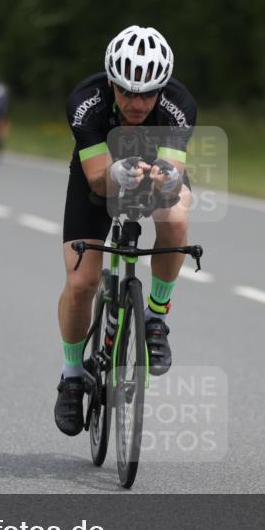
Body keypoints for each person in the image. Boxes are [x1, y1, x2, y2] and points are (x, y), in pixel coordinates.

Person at [54, 25, 196, 436]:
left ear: (162, 89)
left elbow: (174, 174)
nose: (137, 103)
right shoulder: (86, 102)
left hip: (155, 169)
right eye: (127, 92)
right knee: (82, 281)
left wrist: (163, 180)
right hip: (98, 174)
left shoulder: (179, 105)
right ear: (111, 83)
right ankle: (72, 374)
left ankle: (155, 317)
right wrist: (119, 173)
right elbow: (98, 179)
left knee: (176, 214)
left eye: (148, 94)